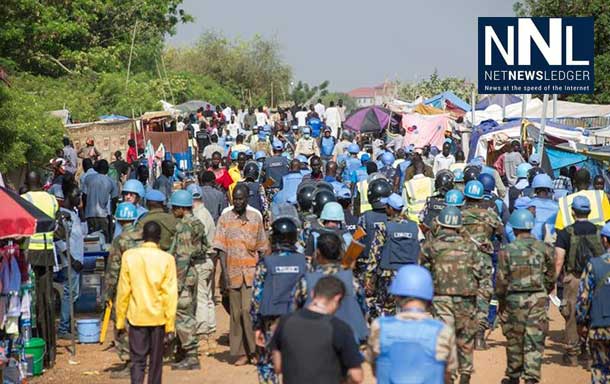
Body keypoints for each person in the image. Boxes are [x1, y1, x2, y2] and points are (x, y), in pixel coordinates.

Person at [420, 206, 492, 384]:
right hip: (466, 299)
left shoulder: (431, 246)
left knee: (445, 337)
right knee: (465, 337)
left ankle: (448, 375)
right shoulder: (470, 247)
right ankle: (465, 373)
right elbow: (483, 272)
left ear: (440, 224)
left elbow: (421, 270)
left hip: (441, 298)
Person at [366, 265, 457, 384]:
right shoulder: (443, 332)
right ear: (429, 296)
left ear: (397, 296)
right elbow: (448, 373)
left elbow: (374, 368)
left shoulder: (379, 327)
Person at [213, 184, 270, 365]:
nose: (238, 202)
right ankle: (240, 352)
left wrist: (263, 273)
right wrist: (224, 275)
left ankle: (254, 350)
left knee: (248, 311)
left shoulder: (255, 218)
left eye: (241, 199)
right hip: (233, 272)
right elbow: (220, 249)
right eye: (235, 199)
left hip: (251, 273)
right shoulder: (225, 219)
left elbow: (262, 247)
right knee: (236, 314)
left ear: (247, 199)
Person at [496, 209, 555, 384]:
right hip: (538, 299)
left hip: (515, 300)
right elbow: (551, 275)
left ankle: (514, 376)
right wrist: (543, 288)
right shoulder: (544, 248)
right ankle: (531, 377)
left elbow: (501, 281)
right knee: (535, 339)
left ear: (514, 229)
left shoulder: (507, 250)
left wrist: (501, 302)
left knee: (515, 338)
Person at [115, 221, 178, 384]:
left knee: (137, 361)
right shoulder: (167, 259)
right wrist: (170, 325)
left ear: (142, 237)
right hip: (159, 318)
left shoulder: (129, 256)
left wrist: (120, 322)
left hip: (137, 317)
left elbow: (123, 291)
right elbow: (170, 295)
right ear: (159, 238)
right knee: (156, 363)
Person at [272, 276, 364, 384]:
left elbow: (278, 366)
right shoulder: (340, 328)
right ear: (337, 298)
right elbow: (357, 376)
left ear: (312, 294)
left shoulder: (284, 322)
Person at [251, 218, 307, 384]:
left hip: (271, 321)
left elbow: (256, 297)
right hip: (298, 322)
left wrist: (256, 326)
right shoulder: (305, 262)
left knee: (267, 362)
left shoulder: (266, 263)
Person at [554, 195, 604, 366]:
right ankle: (589, 352)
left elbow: (559, 260)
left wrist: (552, 281)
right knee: (593, 313)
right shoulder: (600, 230)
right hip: (596, 278)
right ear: (589, 212)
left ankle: (572, 354)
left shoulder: (565, 232)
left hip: (574, 279)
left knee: (571, 314)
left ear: (573, 212)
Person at [293, 232, 369, 344]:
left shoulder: (306, 280)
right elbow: (363, 307)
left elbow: (295, 308)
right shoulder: (352, 279)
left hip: (315, 340)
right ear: (340, 253)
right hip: (349, 339)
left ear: (317, 253)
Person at [21, 172, 59, 368]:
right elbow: (57, 223)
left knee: (31, 302)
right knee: (47, 301)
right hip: (47, 252)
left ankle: (35, 347)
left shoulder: (23, 199)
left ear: (27, 183)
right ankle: (50, 351)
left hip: (30, 254)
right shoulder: (52, 200)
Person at [168, 190, 208, 370]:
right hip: (193, 272)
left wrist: (177, 283)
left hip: (183, 275)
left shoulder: (184, 226)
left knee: (183, 315)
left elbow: (182, 257)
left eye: (174, 207)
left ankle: (191, 355)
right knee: (189, 312)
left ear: (181, 209)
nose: (172, 210)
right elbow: (204, 247)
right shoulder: (197, 223)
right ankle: (183, 352)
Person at [103, 202, 143, 377]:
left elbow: (113, 268)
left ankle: (129, 362)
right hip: (144, 287)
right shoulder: (143, 237)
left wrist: (107, 292)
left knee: (122, 324)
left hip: (125, 288)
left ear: (118, 220)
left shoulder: (120, 240)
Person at [365, 193, 420, 318]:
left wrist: (369, 278)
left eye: (387, 206)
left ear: (390, 209)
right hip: (408, 276)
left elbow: (375, 254)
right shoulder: (414, 227)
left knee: (386, 309)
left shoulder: (384, 227)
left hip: (387, 276)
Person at [576, 221, 610, 384]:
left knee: (600, 367)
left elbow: (584, 297)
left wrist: (580, 322)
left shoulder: (594, 265)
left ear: (604, 240)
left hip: (600, 327)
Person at [186, 184, 217, 353]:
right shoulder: (205, 213)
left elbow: (198, 244)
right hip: (209, 260)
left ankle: (203, 333)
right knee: (208, 296)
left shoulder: (199, 216)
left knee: (201, 298)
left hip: (201, 260)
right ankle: (210, 329)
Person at [55, 185, 84, 340]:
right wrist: (72, 260)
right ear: (68, 196)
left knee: (74, 295)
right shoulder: (63, 215)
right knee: (69, 294)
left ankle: (67, 324)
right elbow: (59, 240)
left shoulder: (74, 213)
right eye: (76, 195)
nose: (79, 198)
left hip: (77, 260)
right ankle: (63, 327)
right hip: (70, 262)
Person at [356, 178, 392, 281]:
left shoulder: (365, 217)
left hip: (368, 265)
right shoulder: (394, 217)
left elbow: (357, 241)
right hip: (388, 266)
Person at [83, 159, 119, 240]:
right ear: (107, 169)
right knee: (104, 241)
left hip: (90, 215)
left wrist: (85, 211)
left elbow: (84, 196)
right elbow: (114, 200)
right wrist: (112, 215)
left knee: (92, 240)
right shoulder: (111, 181)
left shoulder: (88, 179)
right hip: (103, 216)